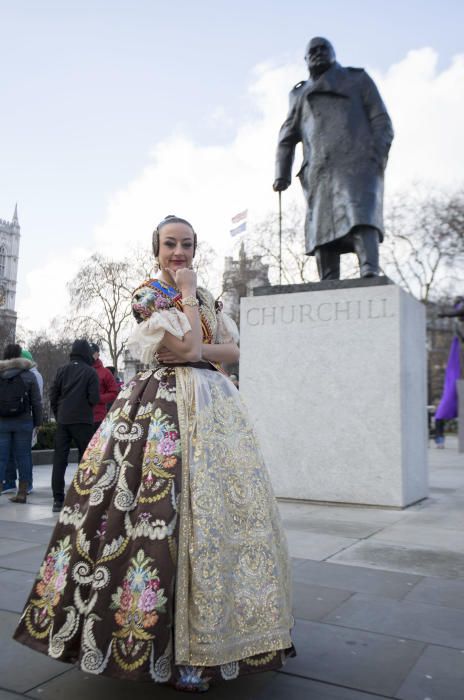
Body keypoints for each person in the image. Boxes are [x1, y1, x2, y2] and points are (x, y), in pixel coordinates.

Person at [14, 215, 295, 692]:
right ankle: (167, 650)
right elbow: (188, 346)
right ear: (156, 249)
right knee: (155, 513)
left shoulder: (208, 297)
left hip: (215, 410)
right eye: (170, 244)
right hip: (160, 411)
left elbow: (232, 351)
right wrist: (192, 319)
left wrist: (197, 347)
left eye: (186, 244)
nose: (179, 253)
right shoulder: (148, 295)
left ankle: (216, 640)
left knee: (215, 518)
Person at [274, 37, 394, 280]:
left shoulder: (357, 79)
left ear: (334, 53)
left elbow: (381, 120)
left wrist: (375, 155)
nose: (318, 53)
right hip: (319, 169)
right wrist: (281, 173)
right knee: (322, 227)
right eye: (312, 51)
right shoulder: (299, 94)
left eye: (323, 49)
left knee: (360, 215)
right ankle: (328, 280)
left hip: (358, 162)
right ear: (306, 59)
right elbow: (287, 136)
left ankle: (369, 269)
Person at [49, 339, 99, 512]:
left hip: (63, 419)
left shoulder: (62, 370)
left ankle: (57, 499)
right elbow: (94, 398)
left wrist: (58, 413)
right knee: (84, 459)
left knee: (59, 460)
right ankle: (81, 495)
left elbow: (53, 394)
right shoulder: (90, 372)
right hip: (83, 420)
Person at [0, 343, 43, 503]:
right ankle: (22, 492)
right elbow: (36, 402)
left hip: (2, 422)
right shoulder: (29, 375)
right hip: (24, 422)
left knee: (1, 458)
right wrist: (38, 422)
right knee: (23, 456)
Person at [89, 344, 120, 433]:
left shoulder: (105, 373)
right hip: (81, 419)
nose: (90, 355)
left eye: (92, 352)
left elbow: (114, 392)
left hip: (98, 418)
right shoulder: (81, 370)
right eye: (89, 352)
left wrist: (98, 398)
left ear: (98, 354)